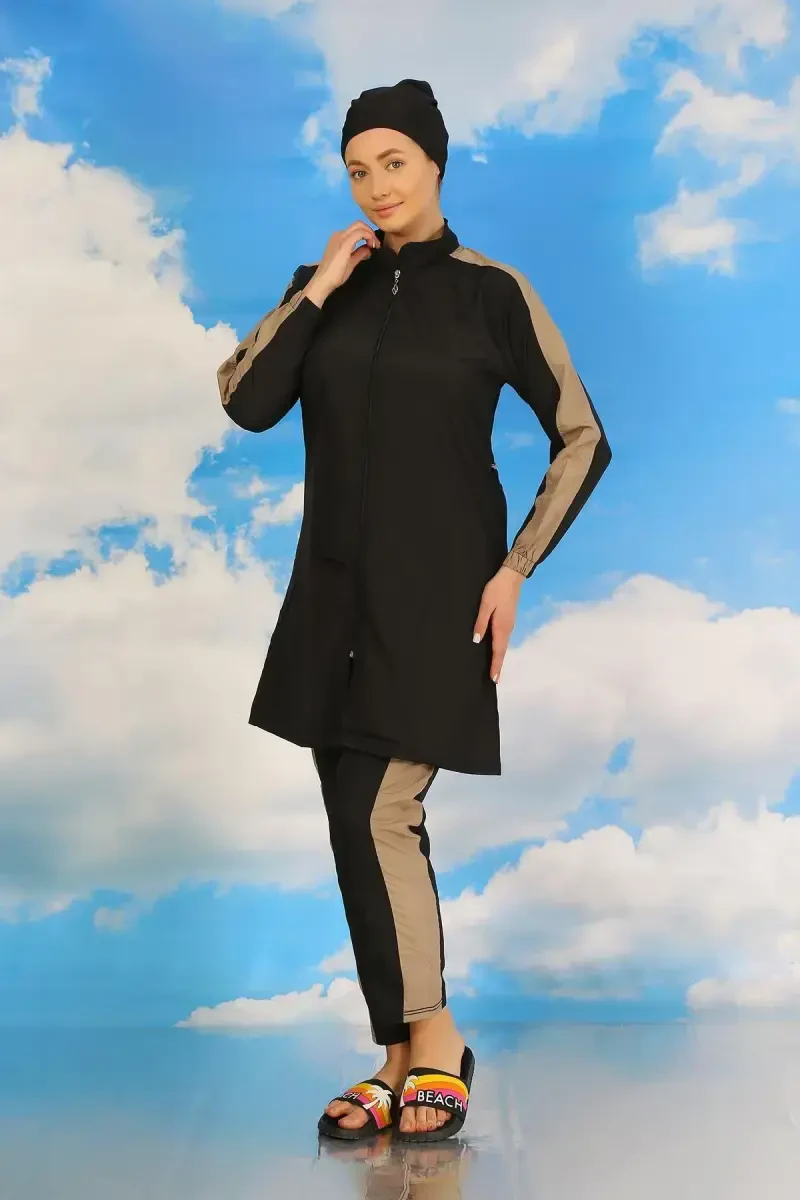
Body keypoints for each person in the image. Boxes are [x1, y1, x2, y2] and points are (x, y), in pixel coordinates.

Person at [217, 78, 612, 1143]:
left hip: (440, 600)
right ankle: (396, 1059)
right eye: (357, 169)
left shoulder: (493, 294)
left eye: (393, 162)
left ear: (435, 163)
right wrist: (318, 288)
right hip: (328, 600)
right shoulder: (324, 287)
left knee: (377, 810)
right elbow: (247, 401)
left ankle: (434, 1036)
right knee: (354, 824)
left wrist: (515, 567)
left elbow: (582, 435)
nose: (376, 186)